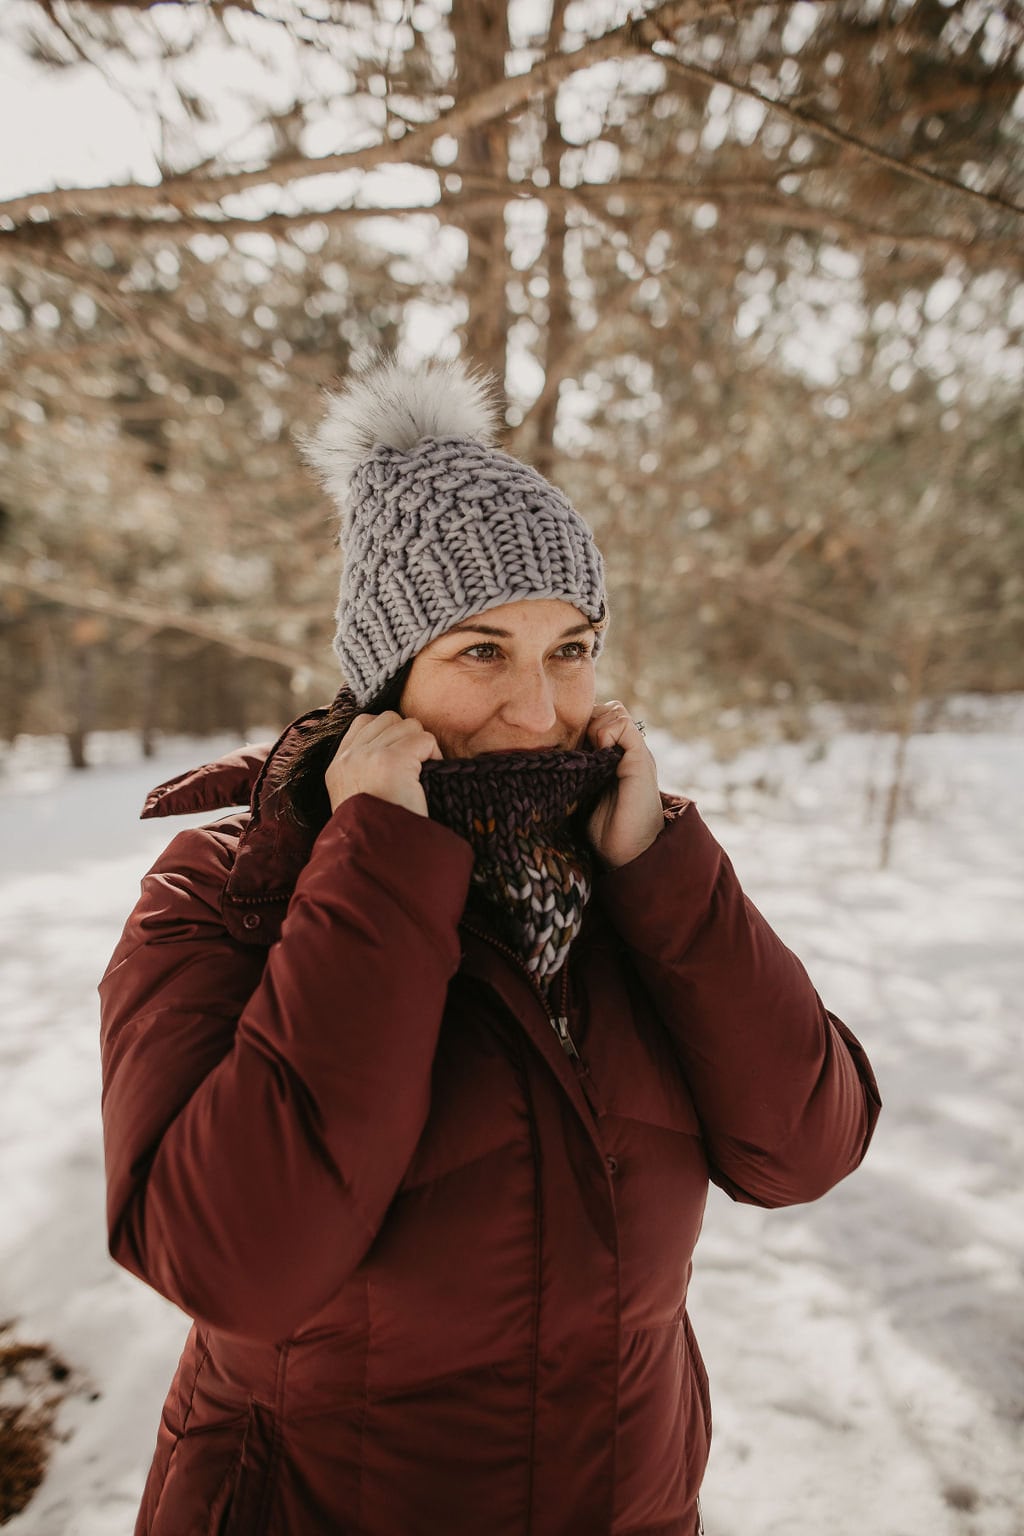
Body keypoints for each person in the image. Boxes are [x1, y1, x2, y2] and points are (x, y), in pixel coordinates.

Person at [99, 356, 880, 1536]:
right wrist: (375, 873)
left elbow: (806, 1149)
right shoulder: (230, 893)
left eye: (570, 649)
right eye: (480, 652)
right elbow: (236, 1264)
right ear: (385, 682)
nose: (537, 710)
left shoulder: (623, 876)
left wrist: (664, 875)